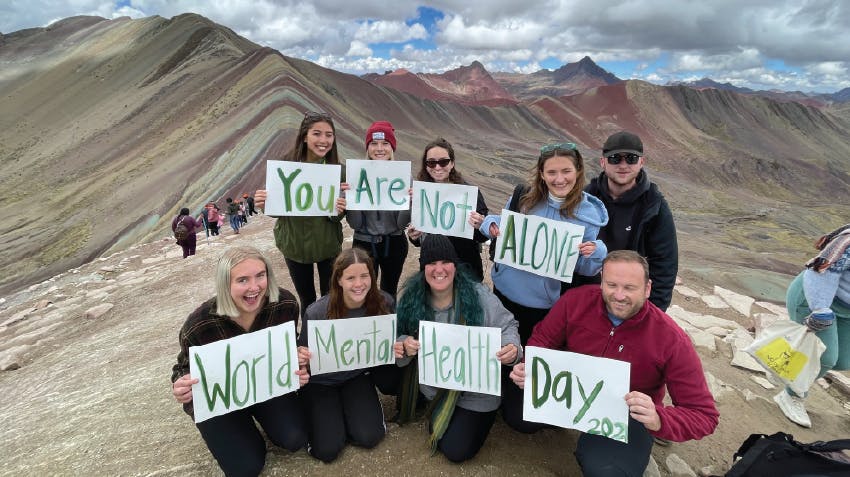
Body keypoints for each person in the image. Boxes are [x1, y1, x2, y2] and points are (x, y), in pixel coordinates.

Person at [507, 250, 719, 475]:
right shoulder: (575, 300)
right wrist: (530, 364)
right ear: (601, 282)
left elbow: (704, 415)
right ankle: (568, 423)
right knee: (516, 417)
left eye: (629, 288)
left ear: (647, 289)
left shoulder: (671, 338)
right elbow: (543, 339)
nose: (619, 295)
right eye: (611, 285)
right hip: (567, 391)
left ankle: (603, 447)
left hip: (623, 413)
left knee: (607, 470)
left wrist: (659, 418)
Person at [170, 246, 309, 477]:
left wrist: (299, 359)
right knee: (245, 468)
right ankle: (240, 428)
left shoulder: (284, 304)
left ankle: (261, 420)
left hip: (266, 389)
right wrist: (181, 386)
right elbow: (182, 368)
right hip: (223, 402)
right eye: (242, 280)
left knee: (295, 438)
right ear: (225, 284)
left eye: (260, 276)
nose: (254, 287)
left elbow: (289, 346)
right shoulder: (199, 324)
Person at [395, 234, 522, 463]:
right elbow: (398, 337)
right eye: (431, 263)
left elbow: (508, 326)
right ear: (423, 268)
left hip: (477, 391)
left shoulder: (479, 295)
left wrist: (511, 347)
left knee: (455, 450)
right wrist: (405, 343)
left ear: (456, 265)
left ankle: (487, 414)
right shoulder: (412, 300)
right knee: (445, 435)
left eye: (445, 262)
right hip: (435, 388)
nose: (439, 269)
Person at [480, 141, 608, 344]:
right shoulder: (524, 198)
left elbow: (584, 269)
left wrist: (597, 252)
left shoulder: (587, 214)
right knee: (501, 360)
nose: (559, 179)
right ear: (541, 174)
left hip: (544, 309)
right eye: (551, 172)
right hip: (502, 296)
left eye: (566, 171)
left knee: (528, 368)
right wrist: (490, 225)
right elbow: (502, 224)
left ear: (578, 170)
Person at [297, 248, 393, 462]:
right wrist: (301, 358)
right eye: (350, 277)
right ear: (339, 279)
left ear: (372, 276)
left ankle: (352, 413)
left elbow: (388, 342)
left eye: (364, 276)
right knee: (328, 450)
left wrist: (396, 345)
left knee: (370, 436)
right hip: (321, 382)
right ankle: (325, 417)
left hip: (356, 376)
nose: (358, 284)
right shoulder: (316, 313)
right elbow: (303, 361)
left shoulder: (384, 303)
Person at [254, 111, 347, 316]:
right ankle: (308, 340)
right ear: (305, 136)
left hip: (327, 246)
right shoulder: (285, 166)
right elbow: (278, 209)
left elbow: (339, 215)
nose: (323, 140)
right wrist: (263, 204)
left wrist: (339, 210)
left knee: (329, 296)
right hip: (294, 246)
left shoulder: (339, 171)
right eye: (317, 134)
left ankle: (327, 338)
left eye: (329, 135)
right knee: (306, 298)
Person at [584, 131, 678, 311]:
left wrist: (651, 312)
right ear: (602, 162)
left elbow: (665, 265)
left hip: (627, 301)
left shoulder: (654, 206)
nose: (623, 165)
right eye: (615, 159)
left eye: (631, 158)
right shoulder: (586, 199)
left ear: (641, 162)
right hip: (588, 296)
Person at [775, 223, 850, 428]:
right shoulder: (848, 242)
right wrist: (820, 309)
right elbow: (822, 272)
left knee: (842, 361)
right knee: (825, 356)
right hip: (814, 298)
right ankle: (791, 396)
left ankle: (786, 356)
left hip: (846, 310)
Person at [406, 138, 489, 281]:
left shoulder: (469, 193)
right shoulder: (421, 194)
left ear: (452, 164)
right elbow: (420, 239)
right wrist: (414, 236)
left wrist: (481, 225)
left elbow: (483, 236)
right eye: (431, 162)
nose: (437, 167)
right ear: (426, 166)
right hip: (433, 269)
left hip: (466, 270)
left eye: (443, 162)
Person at [347, 121, 411, 298]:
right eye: (373, 144)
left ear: (392, 147)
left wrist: (409, 203)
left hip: (395, 243)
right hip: (363, 243)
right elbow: (355, 223)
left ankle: (389, 324)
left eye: (385, 143)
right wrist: (352, 200)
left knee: (389, 291)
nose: (379, 148)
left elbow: (401, 223)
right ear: (367, 148)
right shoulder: (356, 176)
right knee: (364, 293)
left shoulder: (404, 177)